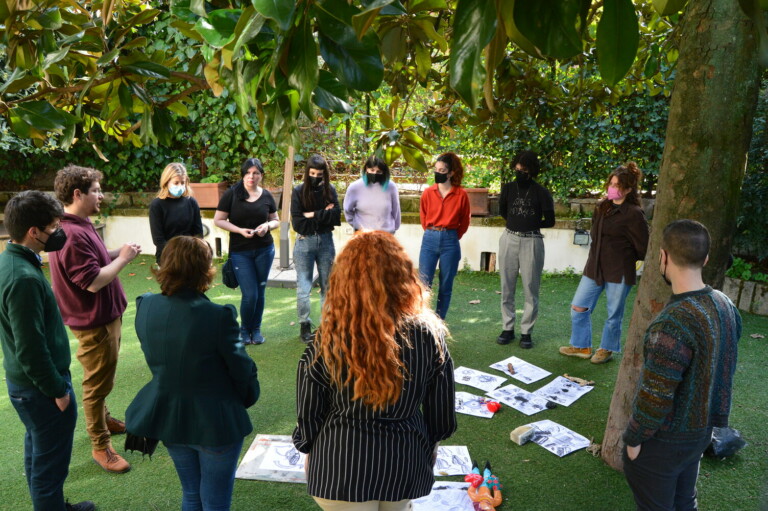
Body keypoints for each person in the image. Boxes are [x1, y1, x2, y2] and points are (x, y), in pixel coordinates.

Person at [293, 231, 456, 511]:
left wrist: (307, 447)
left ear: (344, 278)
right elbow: (441, 416)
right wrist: (430, 446)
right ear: (403, 274)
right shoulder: (430, 334)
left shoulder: (327, 338)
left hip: (339, 465)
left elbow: (309, 413)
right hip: (405, 463)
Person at [126, 236, 260, 511]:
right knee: (215, 501)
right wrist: (246, 396)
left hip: (168, 417)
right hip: (216, 421)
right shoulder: (218, 314)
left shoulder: (145, 304)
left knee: (191, 495)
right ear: (204, 268)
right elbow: (241, 369)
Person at [623, 220, 740, 511]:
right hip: (700, 434)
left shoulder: (673, 322)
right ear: (706, 259)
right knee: (685, 504)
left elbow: (655, 396)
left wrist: (633, 442)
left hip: (666, 442)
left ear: (663, 257)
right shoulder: (725, 305)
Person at [0, 191, 94, 511]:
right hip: (41, 386)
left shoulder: (10, 260)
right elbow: (30, 348)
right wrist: (57, 389)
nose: (59, 231)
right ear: (33, 232)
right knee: (49, 467)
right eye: (54, 226)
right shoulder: (23, 278)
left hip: (27, 385)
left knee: (39, 453)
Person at [49, 165, 141, 474]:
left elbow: (97, 259)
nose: (101, 195)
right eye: (96, 190)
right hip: (94, 324)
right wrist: (124, 259)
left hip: (103, 319)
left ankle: (104, 420)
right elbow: (92, 281)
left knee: (102, 379)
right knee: (96, 385)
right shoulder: (72, 234)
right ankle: (101, 446)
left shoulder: (79, 224)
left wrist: (118, 252)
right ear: (78, 194)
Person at [559, 162, 649, 364]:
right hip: (594, 267)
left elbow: (644, 246)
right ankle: (581, 346)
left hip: (619, 271)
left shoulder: (634, 214)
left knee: (613, 314)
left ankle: (606, 349)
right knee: (579, 307)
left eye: (617, 185)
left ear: (627, 189)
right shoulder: (601, 207)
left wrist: (627, 258)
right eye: (611, 183)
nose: (612, 188)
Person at [214, 158, 279, 345]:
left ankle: (256, 330)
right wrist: (239, 230)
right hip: (240, 252)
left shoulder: (267, 195)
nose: (252, 176)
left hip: (264, 250)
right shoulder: (232, 194)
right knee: (250, 294)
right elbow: (218, 220)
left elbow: (275, 219)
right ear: (243, 174)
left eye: (256, 173)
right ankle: (244, 330)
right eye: (248, 172)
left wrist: (267, 226)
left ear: (261, 175)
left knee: (260, 291)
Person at [497, 151, 555, 349]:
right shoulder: (508, 188)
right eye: (517, 168)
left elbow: (550, 220)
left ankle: (526, 332)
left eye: (524, 169)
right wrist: (517, 224)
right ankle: (507, 328)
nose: (519, 171)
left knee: (531, 287)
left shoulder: (541, 192)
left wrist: (530, 223)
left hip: (532, 240)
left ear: (532, 170)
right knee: (507, 286)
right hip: (509, 237)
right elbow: (503, 211)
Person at [290, 154, 341, 343]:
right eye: (312, 173)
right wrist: (323, 214)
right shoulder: (298, 191)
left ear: (324, 174)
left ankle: (326, 325)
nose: (315, 177)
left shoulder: (330, 190)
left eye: (319, 174)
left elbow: (336, 217)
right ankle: (304, 324)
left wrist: (311, 214)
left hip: (326, 242)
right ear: (307, 172)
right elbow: (298, 223)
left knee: (327, 286)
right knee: (304, 287)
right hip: (304, 242)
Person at [418, 151, 471, 319]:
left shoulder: (461, 195)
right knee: (424, 284)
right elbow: (423, 217)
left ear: (451, 173)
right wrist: (432, 231)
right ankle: (423, 321)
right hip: (430, 238)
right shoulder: (427, 193)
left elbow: (464, 222)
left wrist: (452, 235)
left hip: (450, 240)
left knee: (446, 285)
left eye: (442, 171)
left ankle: (440, 321)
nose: (437, 173)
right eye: (436, 169)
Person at [148, 162, 203, 264]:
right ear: (166, 182)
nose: (180, 186)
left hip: (190, 255)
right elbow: (158, 239)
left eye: (183, 183)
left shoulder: (191, 202)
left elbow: (198, 233)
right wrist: (176, 256)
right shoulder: (157, 205)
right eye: (176, 183)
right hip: (168, 257)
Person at [343, 156, 401, 233]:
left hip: (386, 233)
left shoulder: (391, 187)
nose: (375, 173)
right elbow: (347, 210)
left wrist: (394, 227)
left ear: (384, 172)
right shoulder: (354, 187)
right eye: (372, 170)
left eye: (378, 171)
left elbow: (396, 210)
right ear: (367, 169)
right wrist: (356, 225)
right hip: (362, 234)